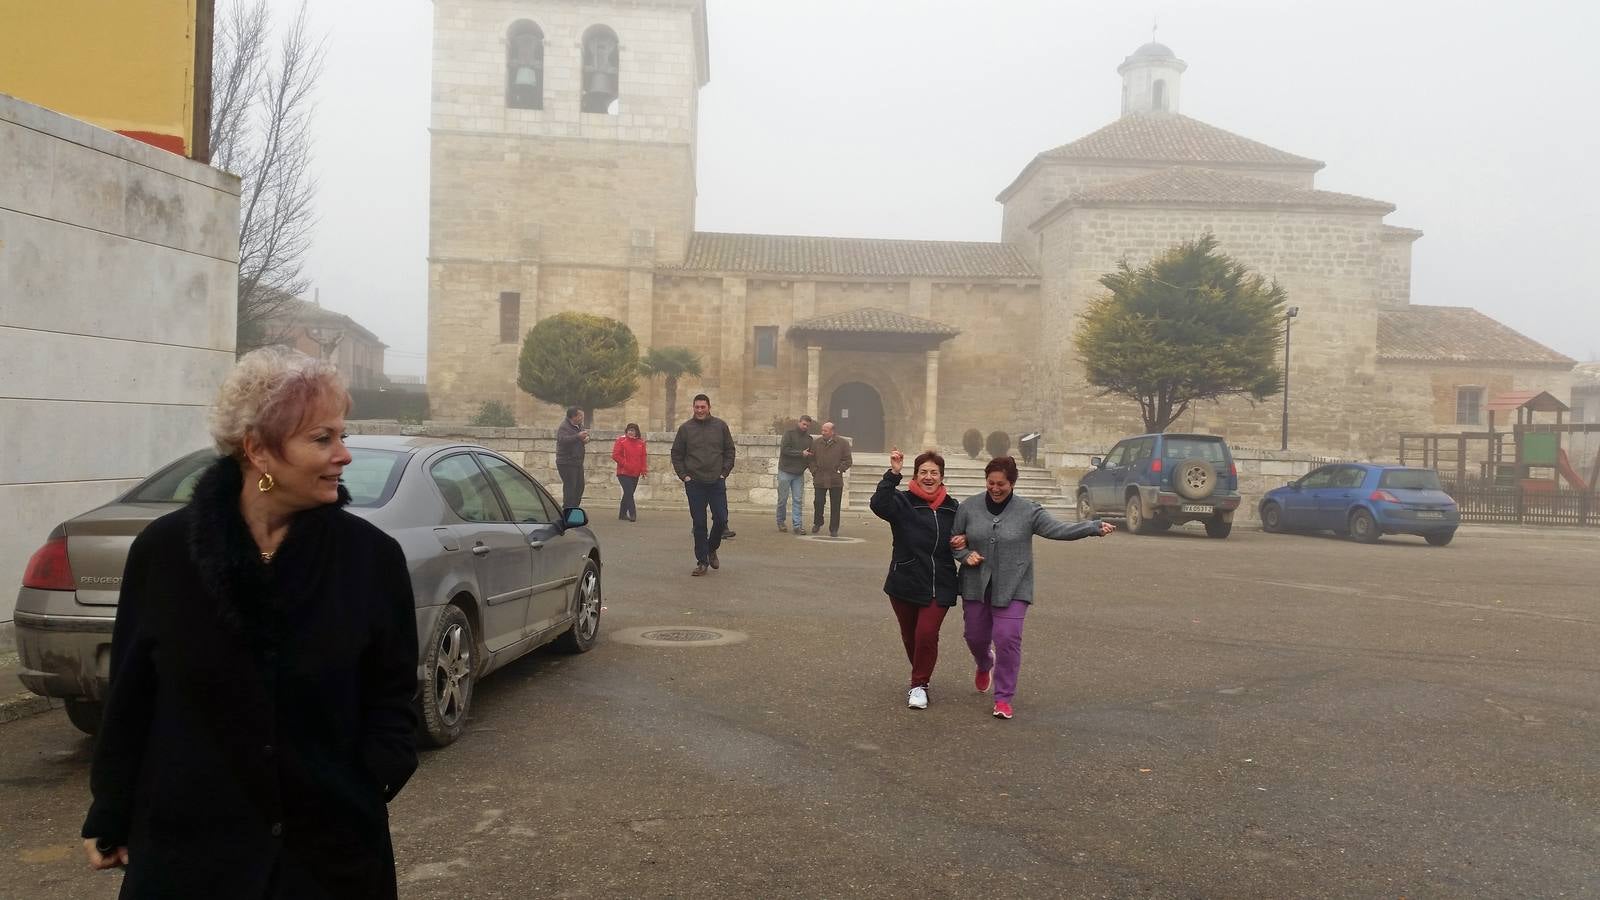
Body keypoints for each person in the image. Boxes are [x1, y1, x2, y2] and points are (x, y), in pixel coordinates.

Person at [81, 346, 419, 898]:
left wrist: (367, 780)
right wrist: (111, 806)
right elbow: (132, 695)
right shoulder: (165, 553)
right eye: (322, 439)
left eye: (343, 435)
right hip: (189, 856)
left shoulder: (370, 559)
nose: (344, 455)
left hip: (330, 858)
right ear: (258, 450)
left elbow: (393, 695)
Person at [951, 455, 1115, 720]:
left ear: (1013, 483)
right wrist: (963, 554)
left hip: (1014, 585)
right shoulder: (968, 508)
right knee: (975, 637)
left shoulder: (1029, 511)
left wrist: (1091, 527)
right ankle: (985, 662)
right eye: (991, 483)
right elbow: (954, 539)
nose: (995, 488)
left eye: (1001, 484)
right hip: (976, 584)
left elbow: (1058, 529)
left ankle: (1003, 698)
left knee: (1007, 639)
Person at [870, 448, 961, 710]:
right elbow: (878, 504)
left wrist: (964, 540)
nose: (929, 477)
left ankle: (918, 684)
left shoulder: (953, 508)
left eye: (934, 472)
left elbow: (968, 533)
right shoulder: (902, 501)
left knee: (926, 634)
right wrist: (893, 473)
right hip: (905, 581)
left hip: (940, 582)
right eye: (923, 472)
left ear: (942, 477)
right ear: (916, 475)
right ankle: (922, 674)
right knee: (910, 637)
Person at [671, 393, 736, 576]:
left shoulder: (720, 426)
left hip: (716, 481)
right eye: (697, 407)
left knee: (721, 519)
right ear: (693, 408)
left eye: (703, 407)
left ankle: (711, 548)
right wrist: (684, 476)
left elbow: (730, 450)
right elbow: (677, 454)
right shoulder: (685, 429)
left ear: (709, 407)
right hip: (695, 483)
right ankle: (702, 561)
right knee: (699, 523)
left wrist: (724, 473)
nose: (700, 410)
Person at [809, 420, 853, 536]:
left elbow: (848, 460)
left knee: (835, 505)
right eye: (822, 430)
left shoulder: (843, 443)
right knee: (818, 502)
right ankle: (818, 522)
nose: (822, 432)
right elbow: (811, 459)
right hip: (820, 478)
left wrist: (839, 469)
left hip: (835, 479)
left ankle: (834, 529)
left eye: (825, 430)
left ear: (832, 432)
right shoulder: (816, 442)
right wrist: (814, 471)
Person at [776, 415, 813, 533]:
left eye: (807, 425)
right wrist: (800, 453)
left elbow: (809, 455)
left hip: (798, 473)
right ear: (799, 422)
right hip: (785, 471)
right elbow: (785, 450)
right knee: (783, 499)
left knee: (798, 499)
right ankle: (781, 521)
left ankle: (797, 525)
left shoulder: (809, 439)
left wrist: (809, 467)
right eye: (803, 424)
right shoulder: (789, 434)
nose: (805, 427)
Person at [611, 422, 648, 521]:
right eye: (629, 430)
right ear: (626, 431)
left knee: (628, 493)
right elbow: (615, 455)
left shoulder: (641, 443)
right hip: (623, 472)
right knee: (629, 493)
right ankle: (633, 514)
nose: (631, 432)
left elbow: (643, 457)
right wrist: (626, 464)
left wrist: (643, 469)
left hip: (635, 473)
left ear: (637, 432)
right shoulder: (621, 441)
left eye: (633, 430)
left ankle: (622, 514)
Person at [555, 406, 590, 510]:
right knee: (570, 488)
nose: (581, 418)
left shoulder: (579, 426)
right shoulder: (564, 427)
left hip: (577, 462)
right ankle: (567, 510)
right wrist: (578, 436)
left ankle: (574, 509)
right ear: (573, 416)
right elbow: (563, 440)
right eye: (580, 415)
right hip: (566, 462)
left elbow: (583, 437)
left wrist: (586, 439)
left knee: (579, 488)